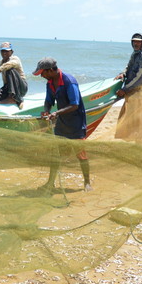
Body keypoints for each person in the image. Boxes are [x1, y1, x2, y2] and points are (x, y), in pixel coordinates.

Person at [34, 57, 92, 192]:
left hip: (76, 122)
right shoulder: (49, 82)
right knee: (57, 154)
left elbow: (74, 104)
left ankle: (87, 183)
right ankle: (50, 183)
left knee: (81, 154)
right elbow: (49, 100)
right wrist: (47, 110)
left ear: (50, 70)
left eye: (42, 73)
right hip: (62, 122)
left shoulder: (69, 81)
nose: (41, 76)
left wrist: (56, 113)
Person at [115, 33, 142, 143]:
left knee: (137, 119)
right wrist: (123, 74)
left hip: (140, 93)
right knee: (134, 117)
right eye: (134, 41)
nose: (136, 44)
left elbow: (140, 78)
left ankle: (138, 142)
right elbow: (129, 66)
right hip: (134, 93)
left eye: (138, 42)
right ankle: (135, 141)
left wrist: (125, 89)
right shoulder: (136, 54)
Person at [0, 41, 28, 107]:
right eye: (2, 51)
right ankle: (4, 102)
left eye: (6, 51)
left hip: (21, 87)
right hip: (9, 88)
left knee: (9, 70)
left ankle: (13, 98)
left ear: (12, 52)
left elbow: (10, 64)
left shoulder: (15, 58)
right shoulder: (1, 62)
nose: (4, 53)